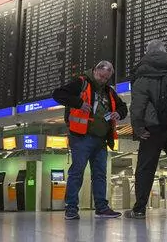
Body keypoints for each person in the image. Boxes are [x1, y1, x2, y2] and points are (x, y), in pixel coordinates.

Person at [124, 40, 167, 219]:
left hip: (152, 128)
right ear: (165, 52)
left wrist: (138, 127)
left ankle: (139, 209)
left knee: (145, 168)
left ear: (147, 52)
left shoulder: (143, 74)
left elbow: (138, 104)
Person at [53, 61, 127, 220]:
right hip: (81, 137)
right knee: (77, 171)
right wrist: (79, 103)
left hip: (101, 139)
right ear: (95, 70)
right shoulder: (80, 82)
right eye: (101, 76)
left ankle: (101, 207)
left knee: (100, 174)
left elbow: (123, 107)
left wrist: (118, 114)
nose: (103, 80)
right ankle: (71, 208)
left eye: (107, 78)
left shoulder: (109, 91)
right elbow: (58, 94)